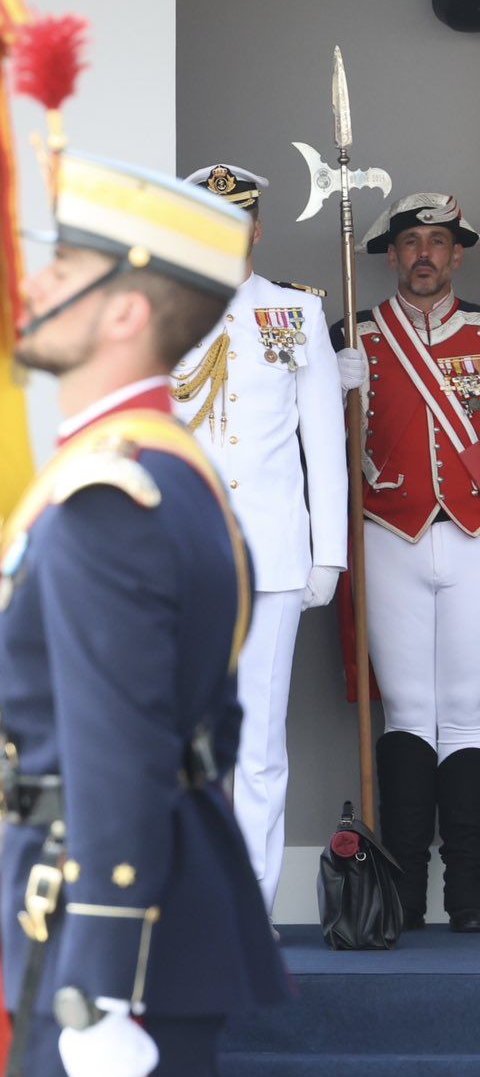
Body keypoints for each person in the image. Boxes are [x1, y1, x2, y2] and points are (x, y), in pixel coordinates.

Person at [0, 152, 287, 1077]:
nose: (28, 284)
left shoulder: (111, 499)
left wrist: (98, 981)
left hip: (111, 945)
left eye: (56, 263)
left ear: (120, 307)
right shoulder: (155, 471)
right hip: (101, 914)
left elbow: (122, 748)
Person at [168, 164, 352, 914]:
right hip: (184, 557)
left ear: (257, 228)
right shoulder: (163, 313)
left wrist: (330, 551)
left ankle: (248, 909)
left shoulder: (293, 313)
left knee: (259, 746)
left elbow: (323, 442)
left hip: (274, 556)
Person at [338, 192, 480, 930]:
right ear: (391, 257)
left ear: (457, 254)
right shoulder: (356, 334)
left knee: (470, 716)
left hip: (474, 536)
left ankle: (471, 897)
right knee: (408, 715)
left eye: (438, 241)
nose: (424, 254)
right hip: (388, 532)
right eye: (411, 243)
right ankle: (399, 897)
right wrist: (333, 384)